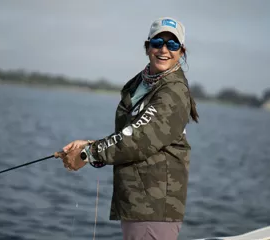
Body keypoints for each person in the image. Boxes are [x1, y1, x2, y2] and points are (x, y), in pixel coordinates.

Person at [55, 17, 199, 240]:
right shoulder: (141, 83)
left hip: (155, 205)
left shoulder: (173, 92)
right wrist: (91, 146)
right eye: (158, 42)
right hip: (136, 200)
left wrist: (88, 154)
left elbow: (140, 139)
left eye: (172, 45)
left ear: (181, 51)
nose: (164, 50)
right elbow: (131, 132)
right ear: (147, 46)